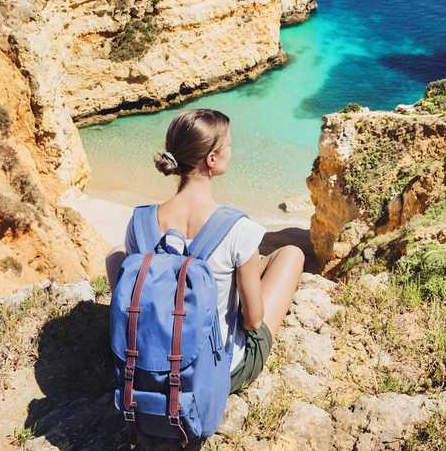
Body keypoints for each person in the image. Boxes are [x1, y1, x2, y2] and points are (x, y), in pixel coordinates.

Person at [105, 107, 305, 396]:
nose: (232, 150)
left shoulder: (139, 222)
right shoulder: (238, 228)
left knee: (116, 255)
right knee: (291, 255)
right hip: (213, 375)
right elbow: (253, 321)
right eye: (230, 146)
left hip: (147, 366)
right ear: (212, 159)